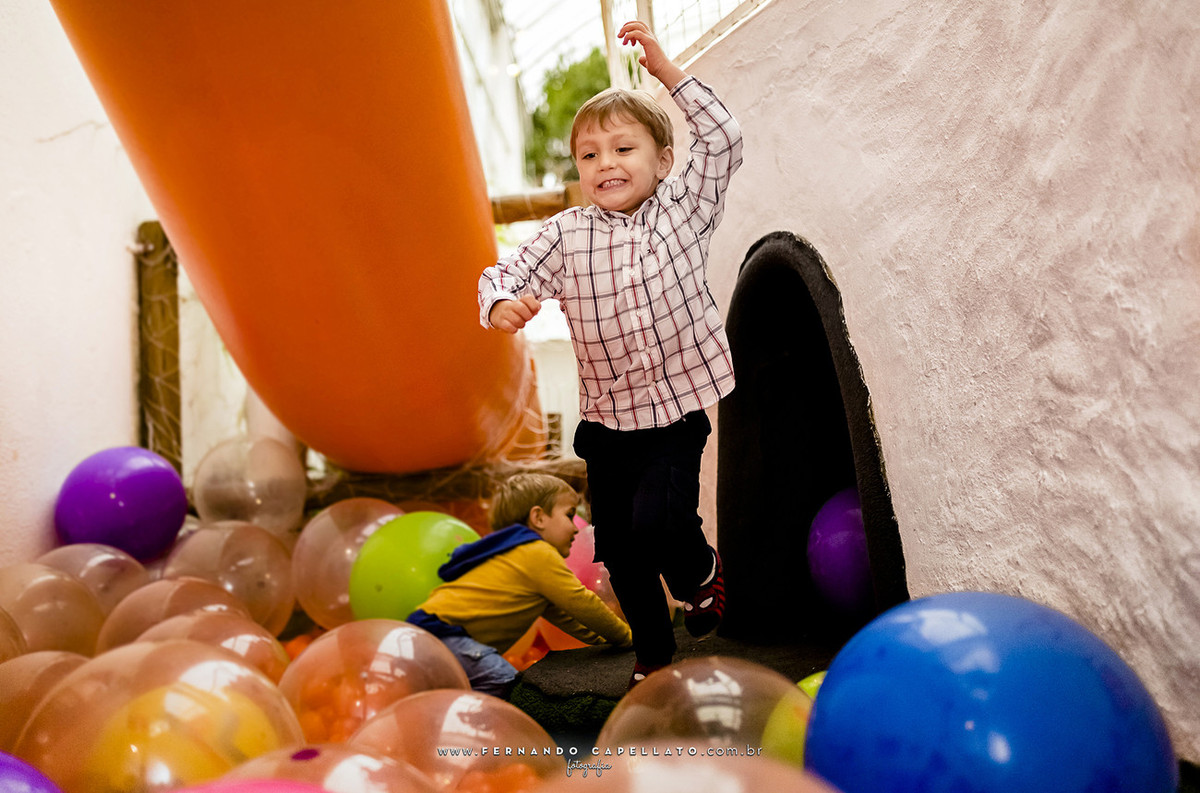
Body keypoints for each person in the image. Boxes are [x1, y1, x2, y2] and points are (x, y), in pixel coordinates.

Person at [478, 20, 742, 687]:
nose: (607, 164)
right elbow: (504, 274)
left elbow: (724, 139)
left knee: (660, 523)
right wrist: (501, 302)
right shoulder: (568, 235)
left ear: (662, 160)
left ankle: (701, 574)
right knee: (622, 551)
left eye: (624, 147)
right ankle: (654, 656)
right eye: (590, 155)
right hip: (607, 423)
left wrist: (667, 72)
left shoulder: (685, 208)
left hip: (676, 409)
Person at [407, 473, 632, 697]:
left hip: (431, 633)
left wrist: (604, 643)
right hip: (444, 634)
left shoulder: (518, 555)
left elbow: (569, 618)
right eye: (569, 515)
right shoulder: (537, 553)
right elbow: (583, 603)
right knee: (500, 677)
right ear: (539, 518)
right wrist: (627, 638)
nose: (576, 528)